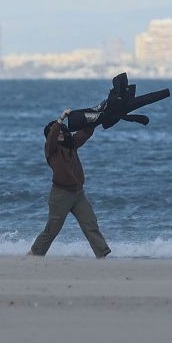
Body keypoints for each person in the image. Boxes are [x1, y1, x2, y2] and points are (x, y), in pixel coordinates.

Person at [28, 108, 111, 258]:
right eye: (56, 131)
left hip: (78, 193)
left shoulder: (72, 145)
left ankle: (102, 255)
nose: (59, 133)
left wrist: (95, 118)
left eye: (61, 131)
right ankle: (34, 254)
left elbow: (85, 132)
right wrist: (60, 119)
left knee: (90, 224)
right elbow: (53, 136)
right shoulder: (50, 150)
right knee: (52, 229)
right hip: (60, 195)